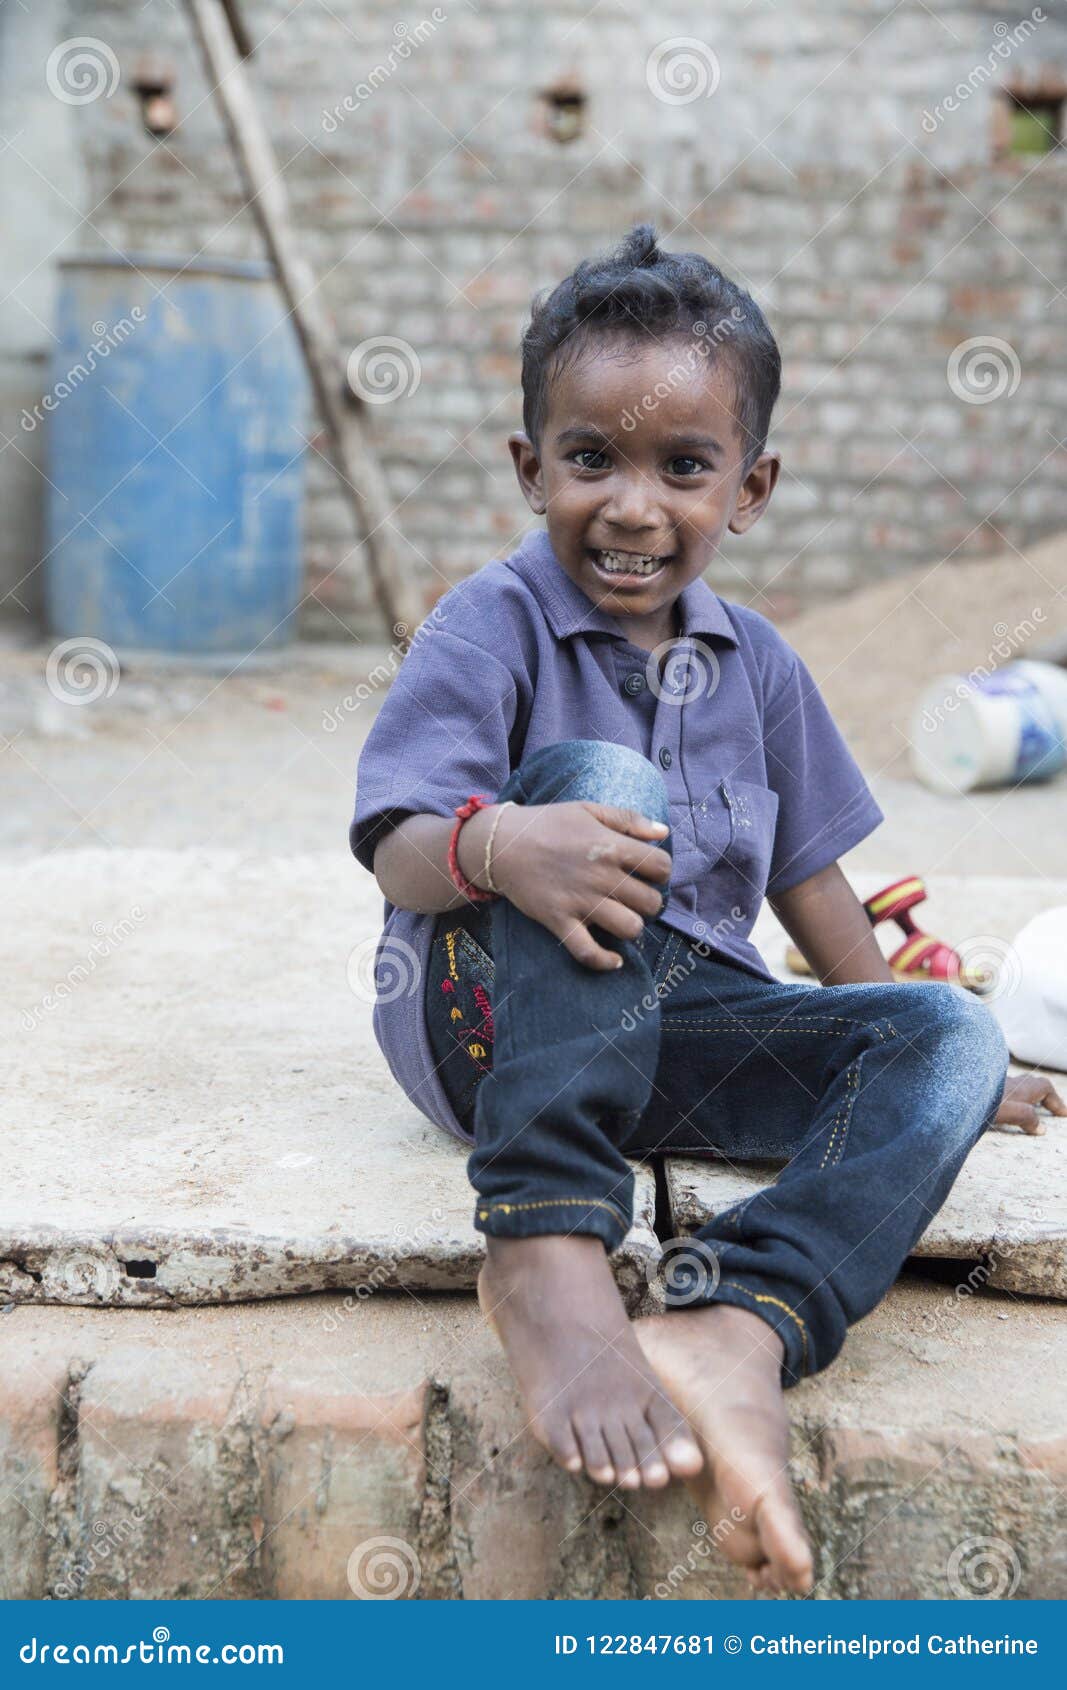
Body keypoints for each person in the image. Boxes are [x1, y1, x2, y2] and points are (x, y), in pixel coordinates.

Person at [350, 224, 1062, 1595]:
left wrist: (907, 1050)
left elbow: (812, 883)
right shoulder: (486, 624)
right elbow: (395, 847)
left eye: (683, 467)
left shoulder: (762, 665)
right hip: (496, 1022)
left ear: (750, 487)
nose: (630, 504)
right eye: (589, 460)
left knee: (950, 1039)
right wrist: (503, 844)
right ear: (529, 468)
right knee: (602, 784)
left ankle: (745, 1317)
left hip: (680, 1030)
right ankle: (545, 1241)